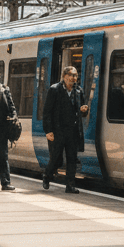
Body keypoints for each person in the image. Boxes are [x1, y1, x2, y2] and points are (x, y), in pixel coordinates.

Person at [42, 65, 88, 194]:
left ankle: (70, 186)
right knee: (56, 158)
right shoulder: (54, 89)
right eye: (71, 75)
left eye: (75, 75)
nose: (74, 78)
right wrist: (48, 131)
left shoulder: (79, 91)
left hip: (73, 131)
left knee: (72, 158)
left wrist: (84, 110)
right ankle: (47, 176)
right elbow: (47, 112)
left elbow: (82, 110)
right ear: (64, 76)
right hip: (58, 131)